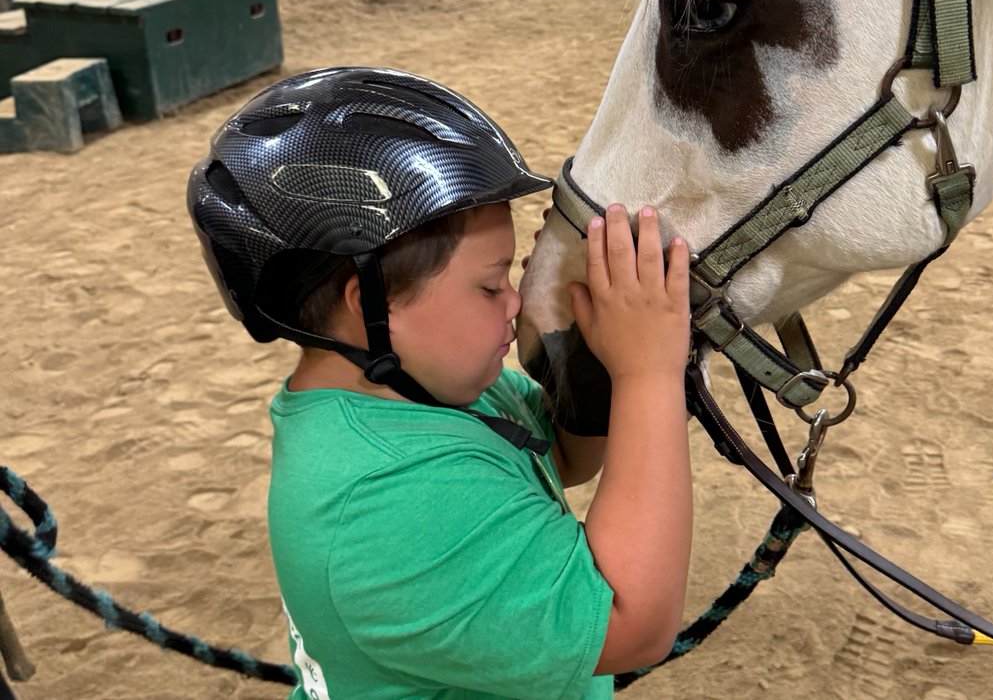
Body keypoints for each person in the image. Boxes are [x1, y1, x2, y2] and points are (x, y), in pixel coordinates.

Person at [187, 66, 693, 699]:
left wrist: (598, 347)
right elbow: (632, 624)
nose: (514, 303)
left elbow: (564, 456)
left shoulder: (429, 386)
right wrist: (649, 372)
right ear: (368, 305)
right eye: (490, 285)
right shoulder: (383, 498)